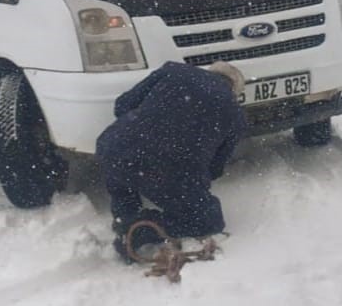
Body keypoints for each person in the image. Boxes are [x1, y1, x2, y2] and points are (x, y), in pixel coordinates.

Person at [95, 60, 246, 261]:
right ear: (234, 90)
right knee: (209, 220)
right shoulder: (236, 115)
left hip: (114, 147)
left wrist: (145, 127)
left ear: (210, 71)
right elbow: (214, 169)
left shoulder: (174, 70)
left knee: (121, 182)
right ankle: (142, 230)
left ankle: (126, 220)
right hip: (166, 169)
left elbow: (122, 105)